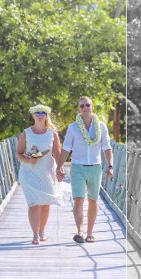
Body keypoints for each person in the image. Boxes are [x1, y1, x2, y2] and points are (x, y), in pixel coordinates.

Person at [57, 96, 114, 243]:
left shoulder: (101, 126)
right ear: (79, 109)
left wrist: (110, 166)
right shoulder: (73, 127)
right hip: (78, 168)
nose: (85, 108)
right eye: (81, 106)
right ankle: (79, 231)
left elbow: (107, 147)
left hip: (95, 168)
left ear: (92, 106)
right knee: (78, 200)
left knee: (93, 200)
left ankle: (90, 233)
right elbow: (66, 148)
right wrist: (59, 166)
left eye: (87, 105)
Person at [16, 104, 63, 245]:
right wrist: (29, 159)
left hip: (47, 172)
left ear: (46, 115)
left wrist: (60, 169)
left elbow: (58, 154)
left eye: (43, 112)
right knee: (33, 203)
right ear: (33, 115)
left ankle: (42, 231)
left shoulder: (52, 133)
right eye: (37, 112)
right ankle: (35, 234)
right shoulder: (26, 133)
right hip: (29, 172)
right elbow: (18, 153)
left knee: (45, 203)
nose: (40, 114)